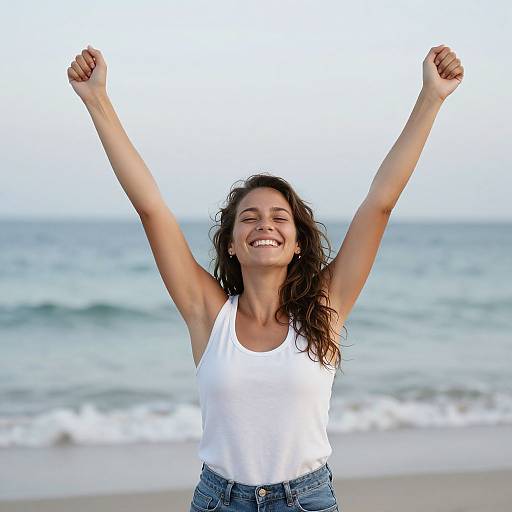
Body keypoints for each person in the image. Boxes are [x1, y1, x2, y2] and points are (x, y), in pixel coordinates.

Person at [67, 43, 464, 511]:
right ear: (232, 243)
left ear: (298, 243)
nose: (265, 225)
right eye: (249, 218)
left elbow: (380, 203)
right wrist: (97, 100)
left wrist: (431, 98)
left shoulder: (325, 306)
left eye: (279, 217)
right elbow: (151, 208)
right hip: (220, 500)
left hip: (307, 500)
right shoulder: (208, 314)